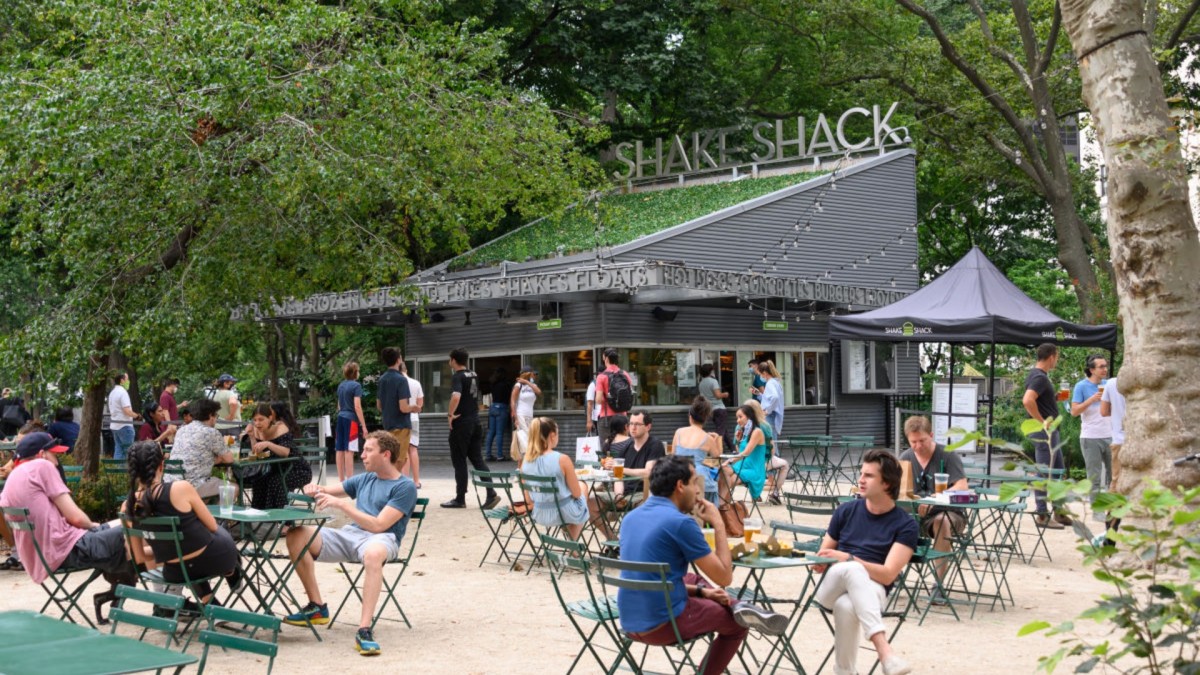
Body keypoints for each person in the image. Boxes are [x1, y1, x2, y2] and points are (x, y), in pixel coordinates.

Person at [618, 455, 787, 675]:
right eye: (694, 483)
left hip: (629, 620)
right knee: (737, 624)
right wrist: (718, 522)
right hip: (664, 623)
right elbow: (724, 577)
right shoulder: (681, 523)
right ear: (680, 486)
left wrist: (702, 592)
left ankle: (736, 604)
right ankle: (738, 608)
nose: (698, 490)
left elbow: (652, 580)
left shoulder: (630, 518)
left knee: (691, 578)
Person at [284, 431, 418, 657]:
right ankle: (317, 607)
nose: (362, 455)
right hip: (351, 535)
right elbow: (326, 490)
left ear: (386, 454)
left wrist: (344, 506)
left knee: (373, 554)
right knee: (296, 534)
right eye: (363, 450)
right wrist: (313, 488)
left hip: (382, 538)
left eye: (368, 450)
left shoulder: (405, 487)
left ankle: (364, 629)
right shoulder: (366, 478)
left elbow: (379, 525)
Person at [813, 449, 917, 675]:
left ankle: (844, 672)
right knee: (851, 568)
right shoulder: (846, 510)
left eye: (869, 475)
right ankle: (885, 652)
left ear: (887, 483)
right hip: (832, 586)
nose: (860, 480)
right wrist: (826, 561)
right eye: (861, 474)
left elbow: (888, 575)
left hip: (873, 590)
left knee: (847, 605)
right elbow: (822, 556)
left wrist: (849, 558)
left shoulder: (906, 525)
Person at [124, 441, 242, 610]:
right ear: (162, 465)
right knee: (217, 531)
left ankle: (209, 600)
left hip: (175, 572)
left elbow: (140, 557)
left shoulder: (128, 506)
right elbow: (212, 526)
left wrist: (164, 548)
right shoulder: (180, 488)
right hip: (215, 561)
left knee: (184, 551)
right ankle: (231, 572)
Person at [0, 432, 129, 585]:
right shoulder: (42, 466)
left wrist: (98, 528)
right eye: (54, 455)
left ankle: (118, 591)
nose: (56, 463)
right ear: (42, 454)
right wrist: (94, 526)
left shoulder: (13, 477)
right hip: (67, 550)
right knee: (136, 528)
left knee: (123, 524)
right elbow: (77, 518)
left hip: (41, 559)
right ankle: (135, 592)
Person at [898, 416, 966, 584]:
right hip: (914, 516)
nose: (918, 446)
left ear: (931, 435)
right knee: (884, 517)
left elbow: (962, 486)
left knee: (941, 521)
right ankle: (892, 572)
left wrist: (934, 499)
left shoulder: (948, 455)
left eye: (922, 440)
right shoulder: (905, 457)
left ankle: (939, 583)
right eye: (913, 442)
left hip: (948, 514)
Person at [520, 417, 601, 540]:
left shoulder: (525, 462)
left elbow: (528, 500)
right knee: (582, 485)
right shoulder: (562, 459)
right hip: (564, 513)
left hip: (540, 514)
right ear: (552, 435)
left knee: (569, 496)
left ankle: (571, 542)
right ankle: (572, 545)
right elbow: (576, 494)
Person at [442, 347, 498, 510]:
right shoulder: (473, 374)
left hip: (462, 423)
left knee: (459, 461)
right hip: (475, 421)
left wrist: (450, 414)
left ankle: (460, 498)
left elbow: (456, 396)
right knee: (477, 459)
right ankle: (491, 492)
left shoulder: (457, 376)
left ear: (453, 360)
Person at [1022, 343, 1070, 529]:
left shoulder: (1037, 376)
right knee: (1043, 473)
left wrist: (1055, 398)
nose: (1057, 360)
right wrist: (1042, 421)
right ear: (1052, 356)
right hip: (1044, 433)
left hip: (1050, 432)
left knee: (1058, 471)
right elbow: (1028, 400)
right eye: (1057, 357)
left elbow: (1038, 400)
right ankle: (1042, 515)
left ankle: (1059, 511)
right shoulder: (1039, 377)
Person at [240, 402, 312, 510]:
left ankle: (281, 517)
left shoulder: (280, 428)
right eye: (255, 420)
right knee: (259, 481)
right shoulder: (256, 430)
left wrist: (268, 444)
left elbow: (285, 452)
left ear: (270, 418)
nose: (257, 423)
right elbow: (257, 454)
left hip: (297, 470)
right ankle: (259, 513)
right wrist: (251, 437)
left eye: (261, 419)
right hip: (275, 470)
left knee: (276, 482)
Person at [1071, 355, 1111, 521]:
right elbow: (1074, 412)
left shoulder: (1109, 384)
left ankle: (1113, 510)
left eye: (1105, 366)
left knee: (1114, 477)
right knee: (1094, 477)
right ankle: (1097, 512)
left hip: (1110, 435)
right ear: (1092, 369)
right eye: (1101, 366)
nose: (1105, 369)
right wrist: (1091, 400)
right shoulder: (1081, 386)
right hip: (1090, 437)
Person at [170, 399, 235, 499]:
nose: (216, 419)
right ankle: (214, 510)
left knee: (209, 491)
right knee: (233, 488)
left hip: (171, 483)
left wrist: (209, 459)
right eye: (216, 415)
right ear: (210, 415)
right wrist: (216, 459)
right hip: (193, 484)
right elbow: (229, 459)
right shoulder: (211, 432)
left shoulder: (181, 430)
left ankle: (200, 508)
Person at [602, 410, 665, 500]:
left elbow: (648, 472)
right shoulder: (626, 446)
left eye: (637, 424)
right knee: (592, 500)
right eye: (631, 424)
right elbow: (618, 476)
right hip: (623, 494)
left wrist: (621, 469)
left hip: (643, 493)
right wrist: (619, 496)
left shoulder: (655, 445)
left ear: (648, 427)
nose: (633, 428)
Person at [671, 397, 723, 503]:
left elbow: (672, 456)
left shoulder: (679, 432)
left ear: (690, 416)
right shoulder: (707, 438)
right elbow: (717, 459)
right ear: (705, 419)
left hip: (677, 478)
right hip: (700, 480)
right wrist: (718, 440)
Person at [375, 348, 412, 486]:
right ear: (398, 360)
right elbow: (404, 407)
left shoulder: (382, 379)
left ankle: (388, 485)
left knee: (390, 458)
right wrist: (415, 407)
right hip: (401, 424)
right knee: (399, 459)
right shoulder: (401, 380)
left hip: (388, 424)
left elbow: (379, 405)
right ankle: (389, 487)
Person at [719, 404, 769, 505]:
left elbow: (746, 453)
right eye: (737, 418)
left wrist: (728, 461)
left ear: (749, 416)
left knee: (729, 479)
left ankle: (723, 505)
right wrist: (738, 441)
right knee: (722, 471)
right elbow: (740, 452)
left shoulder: (757, 432)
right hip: (742, 466)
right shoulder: (745, 432)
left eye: (740, 417)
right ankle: (724, 505)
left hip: (754, 469)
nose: (738, 420)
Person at [335, 361, 370, 482]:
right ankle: (349, 481)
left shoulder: (341, 385)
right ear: (355, 373)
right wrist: (364, 426)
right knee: (349, 450)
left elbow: (339, 406)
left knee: (339, 449)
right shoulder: (356, 386)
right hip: (351, 420)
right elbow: (357, 406)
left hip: (340, 417)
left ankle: (341, 481)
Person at [399, 359, 424, 488]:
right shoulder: (416, 383)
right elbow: (420, 404)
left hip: (402, 418)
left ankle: (405, 481)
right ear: (406, 370)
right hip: (414, 417)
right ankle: (416, 481)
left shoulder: (398, 382)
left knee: (404, 450)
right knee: (413, 449)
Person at [698, 363, 732, 453]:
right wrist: (726, 394)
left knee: (723, 429)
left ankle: (733, 449)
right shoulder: (713, 381)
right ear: (710, 371)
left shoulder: (701, 383)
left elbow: (702, 397)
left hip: (711, 410)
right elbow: (718, 395)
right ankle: (717, 449)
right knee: (720, 431)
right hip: (719, 408)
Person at [1100, 374, 1127, 488]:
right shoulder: (1146, 381)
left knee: (1117, 480)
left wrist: (1117, 411)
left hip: (1119, 439)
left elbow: (1103, 411)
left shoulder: (1111, 383)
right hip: (1141, 439)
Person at [108, 371, 141, 460]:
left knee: (118, 450)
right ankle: (127, 468)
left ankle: (117, 469)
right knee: (128, 451)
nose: (128, 381)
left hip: (114, 426)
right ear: (122, 380)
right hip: (124, 426)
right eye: (127, 379)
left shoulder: (112, 393)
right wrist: (137, 416)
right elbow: (127, 411)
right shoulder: (123, 392)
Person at [594, 348, 626, 442]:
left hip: (607, 417)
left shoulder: (602, 376)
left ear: (606, 359)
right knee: (623, 444)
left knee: (607, 446)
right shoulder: (625, 374)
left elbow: (598, 399)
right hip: (623, 416)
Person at [484, 367, 511, 462]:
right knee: (499, 433)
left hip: (492, 407)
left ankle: (488, 455)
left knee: (491, 432)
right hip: (502, 408)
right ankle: (500, 455)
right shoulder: (506, 384)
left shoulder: (493, 383)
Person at [510, 365, 541, 442]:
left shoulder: (533, 386)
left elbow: (539, 392)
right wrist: (516, 418)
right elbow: (513, 401)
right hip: (521, 415)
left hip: (530, 415)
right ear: (528, 374)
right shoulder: (518, 385)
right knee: (526, 438)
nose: (534, 376)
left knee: (529, 437)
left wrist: (527, 382)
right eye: (533, 374)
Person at [758, 360, 784, 438]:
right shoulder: (775, 382)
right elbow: (770, 398)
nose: (760, 377)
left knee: (770, 441)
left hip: (769, 415)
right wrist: (759, 394)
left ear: (764, 373)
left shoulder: (770, 383)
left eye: (760, 374)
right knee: (771, 440)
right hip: (772, 414)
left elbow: (775, 397)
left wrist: (767, 411)